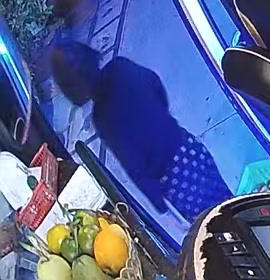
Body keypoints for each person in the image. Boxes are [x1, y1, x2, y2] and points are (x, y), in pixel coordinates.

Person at [48, 42, 232, 221]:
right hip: (188, 148)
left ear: (71, 90)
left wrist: (158, 201)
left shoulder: (103, 118)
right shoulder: (120, 66)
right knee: (229, 202)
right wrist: (162, 116)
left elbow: (134, 166)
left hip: (174, 180)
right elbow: (155, 82)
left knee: (215, 221)